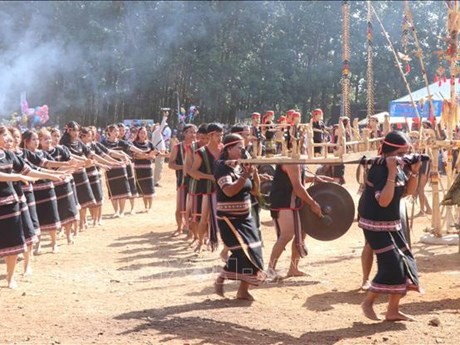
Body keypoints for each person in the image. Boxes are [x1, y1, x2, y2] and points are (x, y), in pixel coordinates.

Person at [359, 131, 422, 321]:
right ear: (390, 152)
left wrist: (415, 171)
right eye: (401, 153)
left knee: (405, 263)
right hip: (374, 224)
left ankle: (392, 311)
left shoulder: (399, 167)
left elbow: (408, 192)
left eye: (406, 153)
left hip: (391, 223)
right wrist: (392, 172)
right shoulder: (379, 169)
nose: (404, 157)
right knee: (392, 265)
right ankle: (368, 302)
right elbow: (384, 201)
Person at [214, 133, 265, 300]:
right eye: (239, 147)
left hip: (246, 218)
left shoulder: (240, 166)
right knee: (242, 253)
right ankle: (222, 277)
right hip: (229, 220)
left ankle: (243, 291)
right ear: (229, 149)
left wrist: (254, 174)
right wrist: (245, 175)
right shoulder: (222, 167)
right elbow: (229, 191)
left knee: (255, 251)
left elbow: (255, 191)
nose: (243, 149)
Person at [268, 161, 322, 279]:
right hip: (283, 201)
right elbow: (298, 188)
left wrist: (316, 178)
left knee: (301, 233)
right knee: (286, 235)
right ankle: (270, 270)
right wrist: (313, 203)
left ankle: (293, 268)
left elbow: (299, 176)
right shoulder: (290, 161)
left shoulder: (298, 160)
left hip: (293, 202)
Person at [151, 110, 169, 187]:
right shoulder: (157, 132)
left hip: (160, 151)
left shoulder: (156, 133)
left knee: (159, 167)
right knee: (159, 167)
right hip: (159, 152)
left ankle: (155, 180)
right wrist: (165, 117)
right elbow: (162, 126)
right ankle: (155, 181)